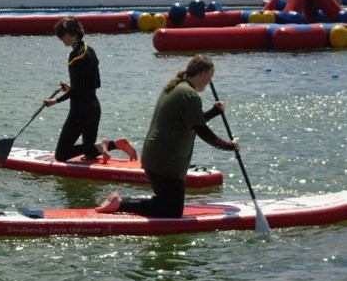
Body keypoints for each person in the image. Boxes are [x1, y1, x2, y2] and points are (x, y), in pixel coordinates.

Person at [96, 55, 239, 217]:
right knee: (172, 210)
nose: (209, 82)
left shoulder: (175, 87)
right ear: (202, 74)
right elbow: (203, 132)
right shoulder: (190, 95)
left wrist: (214, 112)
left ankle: (120, 201)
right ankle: (121, 203)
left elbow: (189, 121)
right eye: (210, 77)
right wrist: (230, 146)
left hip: (154, 158)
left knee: (166, 202)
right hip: (167, 163)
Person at [44, 17, 137, 164]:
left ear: (70, 32)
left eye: (62, 36)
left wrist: (55, 101)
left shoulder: (75, 55)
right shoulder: (90, 51)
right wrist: (70, 88)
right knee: (90, 153)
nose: (62, 40)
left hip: (79, 111)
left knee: (61, 155)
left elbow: (77, 89)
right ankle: (116, 144)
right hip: (94, 108)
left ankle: (103, 145)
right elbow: (95, 84)